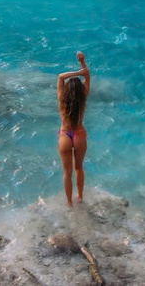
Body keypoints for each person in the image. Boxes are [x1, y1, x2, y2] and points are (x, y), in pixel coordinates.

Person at [57, 51, 90, 206]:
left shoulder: (62, 99)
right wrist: (82, 62)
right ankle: (80, 197)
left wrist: (76, 72)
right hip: (79, 134)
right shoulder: (83, 97)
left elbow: (61, 77)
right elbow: (87, 76)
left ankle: (69, 203)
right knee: (78, 168)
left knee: (66, 172)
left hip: (65, 134)